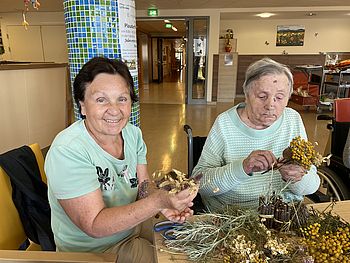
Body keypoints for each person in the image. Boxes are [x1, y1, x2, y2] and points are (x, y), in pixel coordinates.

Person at [44, 57, 197, 262]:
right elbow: (94, 225)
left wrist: (163, 204)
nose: (114, 110)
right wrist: (157, 201)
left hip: (130, 227)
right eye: (101, 99)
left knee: (192, 240)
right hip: (95, 250)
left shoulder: (132, 135)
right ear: (82, 106)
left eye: (122, 99)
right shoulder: (68, 150)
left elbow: (143, 187)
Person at [191, 58, 320, 211]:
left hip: (285, 213)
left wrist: (297, 179)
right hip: (234, 214)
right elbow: (199, 184)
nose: (271, 105)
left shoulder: (292, 119)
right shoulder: (225, 123)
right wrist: (243, 167)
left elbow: (311, 187)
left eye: (279, 97)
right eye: (262, 96)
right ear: (246, 95)